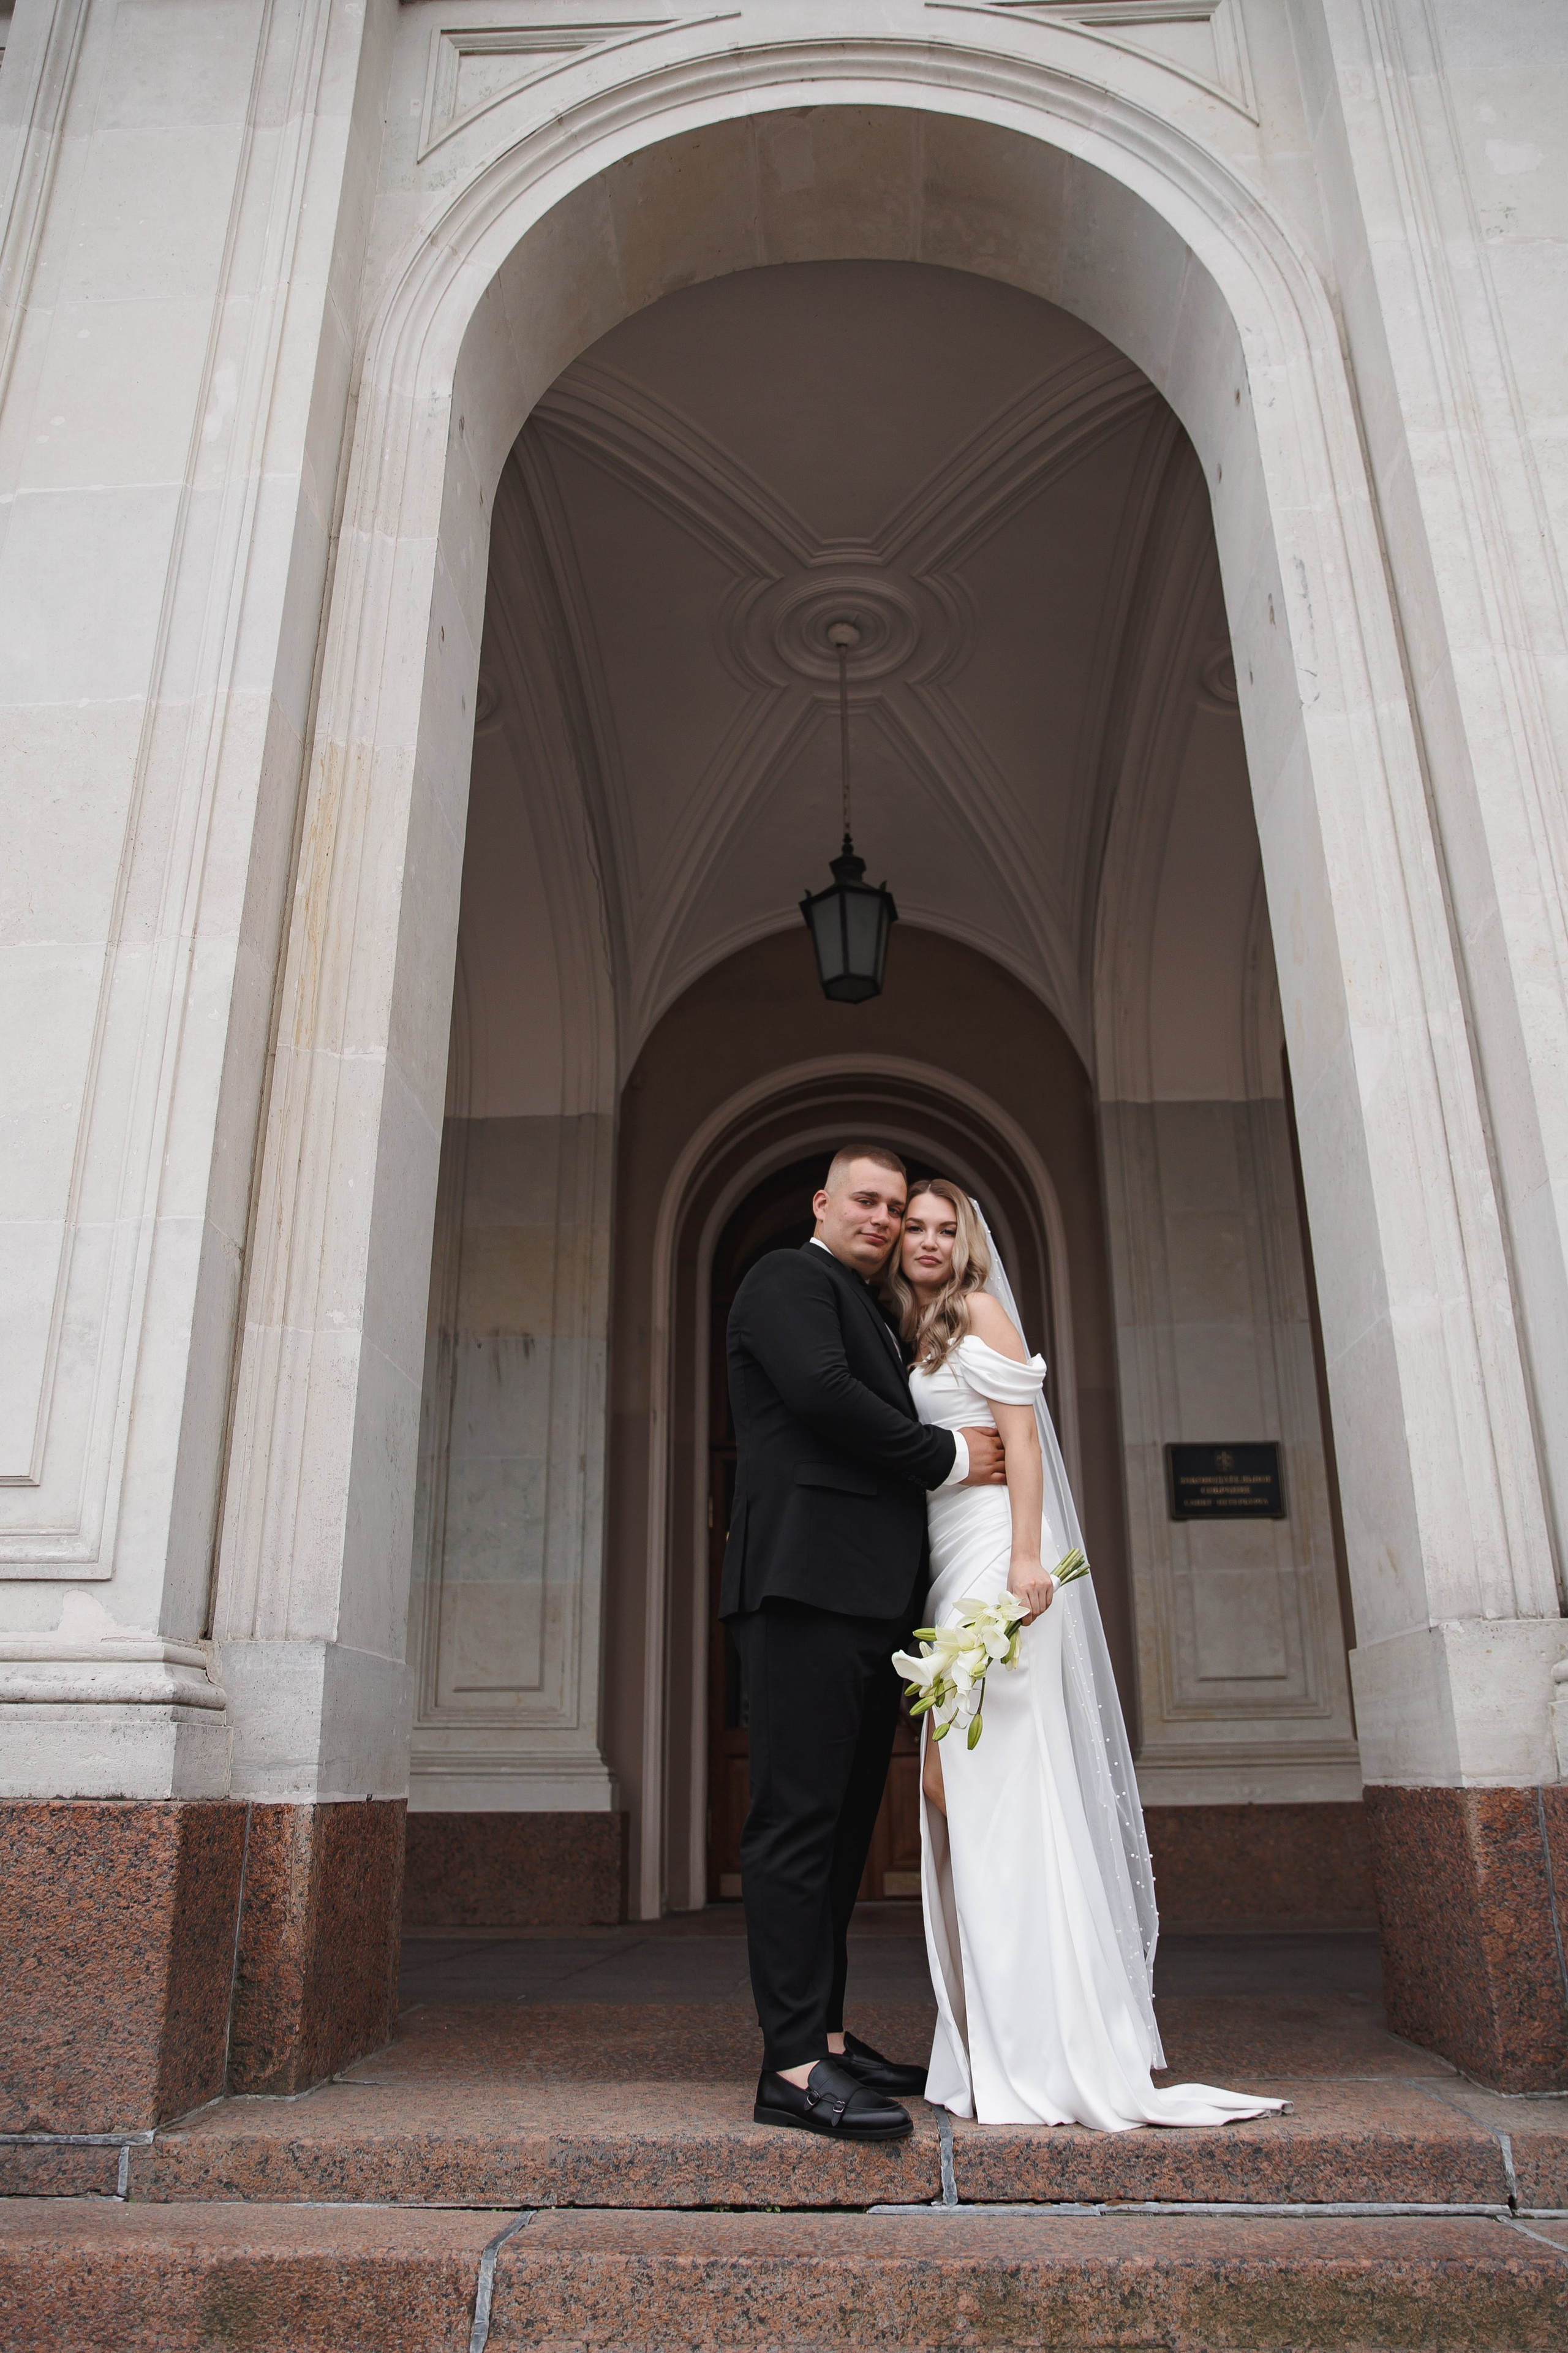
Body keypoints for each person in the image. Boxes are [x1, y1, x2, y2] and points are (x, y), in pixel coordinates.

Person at [888, 1177, 1285, 2129]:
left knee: (979, 1786)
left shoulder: (980, 1310)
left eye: (950, 1227)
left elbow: (1023, 1441)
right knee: (967, 1791)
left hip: (995, 1561)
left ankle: (1041, 2039)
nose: (931, 1240)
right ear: (898, 1238)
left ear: (969, 1242)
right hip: (952, 1562)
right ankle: (1004, 2034)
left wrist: (1028, 1557)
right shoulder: (919, 1328)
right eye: (917, 1226)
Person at [721, 1146, 1008, 2142]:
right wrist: (950, 1454)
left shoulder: (865, 1301)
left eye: (897, 1206)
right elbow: (824, 1397)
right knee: (796, 1824)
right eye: (869, 1201)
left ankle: (830, 2038)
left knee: (844, 1828)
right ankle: (791, 2066)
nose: (885, 1219)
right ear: (823, 1203)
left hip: (863, 1601)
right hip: (800, 1586)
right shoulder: (786, 1278)